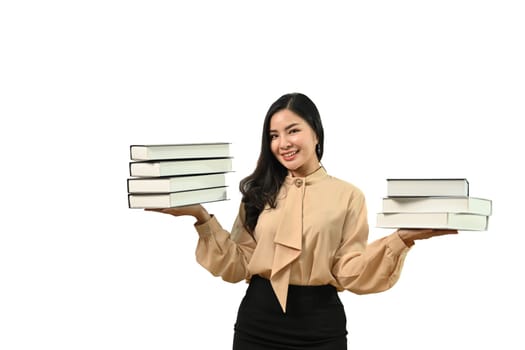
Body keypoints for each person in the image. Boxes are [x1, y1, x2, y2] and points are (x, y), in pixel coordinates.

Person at [146, 92, 458, 350]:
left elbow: (349, 271)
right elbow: (240, 264)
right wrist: (200, 217)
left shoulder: (349, 196)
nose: (283, 143)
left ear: (316, 133)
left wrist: (401, 239)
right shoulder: (259, 192)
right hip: (258, 321)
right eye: (274, 135)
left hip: (320, 326)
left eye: (293, 130)